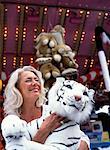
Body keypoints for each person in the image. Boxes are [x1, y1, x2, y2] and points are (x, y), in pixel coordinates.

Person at [3, 65, 90, 150]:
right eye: (28, 80)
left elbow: (80, 137)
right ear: (17, 88)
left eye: (37, 80)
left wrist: (79, 145)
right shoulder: (12, 122)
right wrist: (44, 130)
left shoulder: (53, 111)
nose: (35, 83)